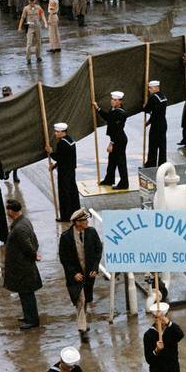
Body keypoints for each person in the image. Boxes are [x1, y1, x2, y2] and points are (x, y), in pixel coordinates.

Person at [58, 208, 101, 343]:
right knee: (80, 299)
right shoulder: (66, 237)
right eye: (84, 220)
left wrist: (95, 268)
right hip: (75, 276)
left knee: (86, 298)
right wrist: (73, 273)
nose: (87, 222)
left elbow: (98, 250)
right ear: (77, 222)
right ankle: (82, 328)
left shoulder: (91, 232)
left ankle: (83, 321)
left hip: (88, 274)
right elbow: (64, 258)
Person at [3, 199, 42, 330]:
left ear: (10, 211)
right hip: (23, 266)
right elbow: (34, 239)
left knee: (27, 294)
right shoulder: (25, 221)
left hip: (22, 267)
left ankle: (32, 320)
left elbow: (27, 246)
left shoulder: (19, 228)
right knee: (24, 293)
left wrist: (33, 254)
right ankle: (28, 316)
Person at [94, 91, 129, 190]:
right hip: (115, 138)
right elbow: (108, 118)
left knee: (120, 162)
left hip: (119, 140)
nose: (112, 101)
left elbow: (116, 130)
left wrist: (111, 143)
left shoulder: (120, 113)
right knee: (112, 161)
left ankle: (124, 183)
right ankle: (109, 179)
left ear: (120, 102)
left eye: (115, 100)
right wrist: (98, 108)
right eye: (112, 99)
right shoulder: (114, 110)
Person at [50, 122, 80, 223]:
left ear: (63, 132)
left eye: (57, 132)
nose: (55, 134)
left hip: (64, 172)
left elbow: (59, 157)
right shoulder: (70, 140)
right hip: (71, 170)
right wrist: (55, 165)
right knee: (72, 191)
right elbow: (66, 157)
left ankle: (66, 216)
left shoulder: (62, 143)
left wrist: (50, 152)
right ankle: (76, 212)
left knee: (64, 193)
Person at [143, 80, 168, 169]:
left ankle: (151, 164)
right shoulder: (163, 96)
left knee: (153, 145)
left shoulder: (153, 97)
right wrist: (149, 122)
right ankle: (162, 164)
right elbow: (157, 112)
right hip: (163, 123)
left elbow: (146, 109)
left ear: (155, 88)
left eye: (150, 88)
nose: (149, 90)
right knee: (162, 145)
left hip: (156, 125)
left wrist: (145, 106)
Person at [18, 0, 47, 64]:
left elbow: (42, 14)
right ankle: (28, 58)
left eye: (33, 0)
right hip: (30, 27)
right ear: (28, 1)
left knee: (38, 42)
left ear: (35, 1)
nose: (31, 2)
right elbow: (22, 18)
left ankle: (38, 56)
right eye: (30, 0)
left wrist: (45, 22)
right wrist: (19, 27)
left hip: (37, 26)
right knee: (29, 43)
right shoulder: (26, 8)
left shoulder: (38, 7)